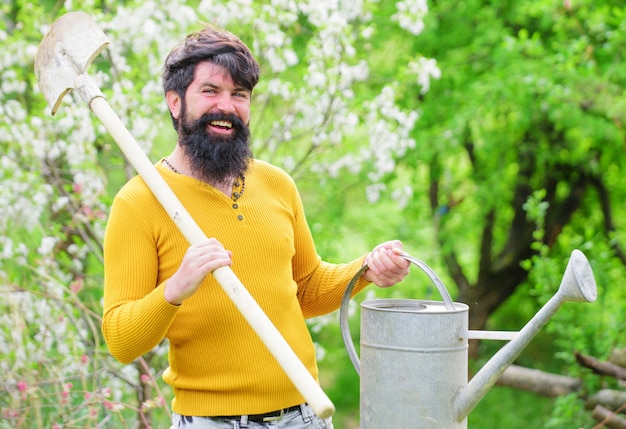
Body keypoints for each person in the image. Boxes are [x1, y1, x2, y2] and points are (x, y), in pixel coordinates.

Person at [101, 24, 410, 429]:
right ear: (175, 102)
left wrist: (365, 268)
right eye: (210, 91)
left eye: (239, 95)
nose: (226, 106)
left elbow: (307, 289)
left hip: (305, 415)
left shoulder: (276, 183)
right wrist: (175, 288)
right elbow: (122, 340)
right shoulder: (139, 202)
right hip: (211, 422)